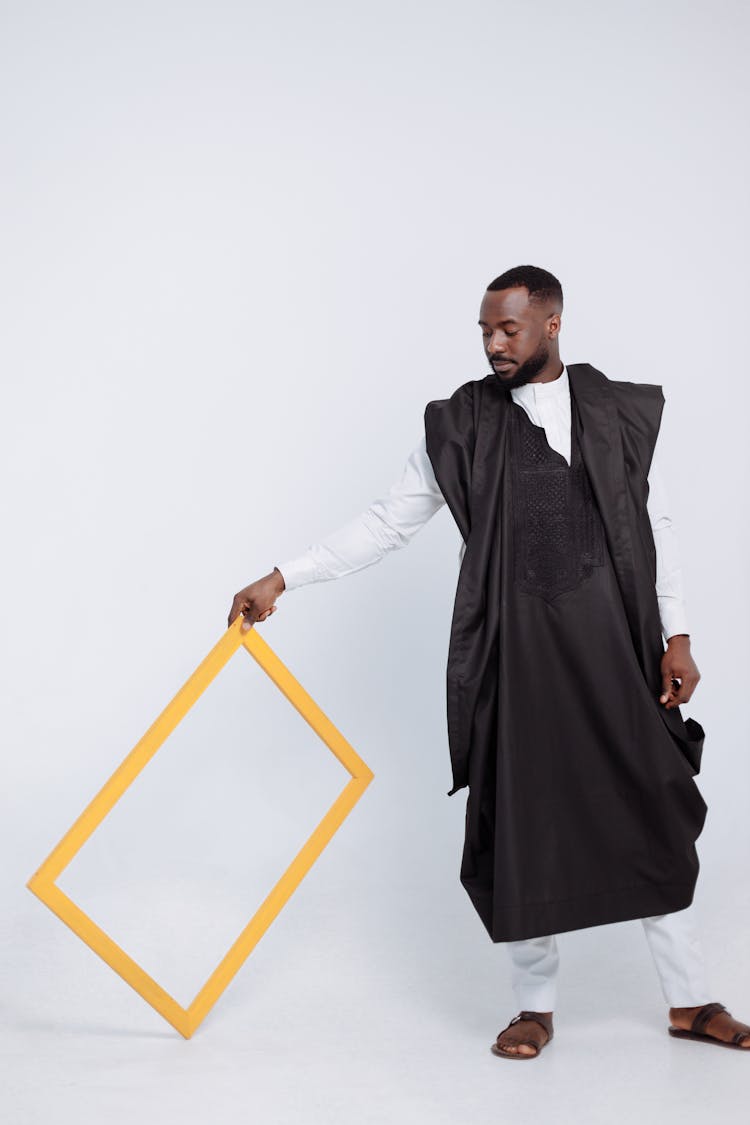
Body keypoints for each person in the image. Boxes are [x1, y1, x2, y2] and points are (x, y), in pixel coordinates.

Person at [227, 265, 750, 1058]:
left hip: (617, 651)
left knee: (654, 811)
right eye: (485, 331)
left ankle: (689, 1001)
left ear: (553, 323)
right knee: (524, 822)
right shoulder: (463, 423)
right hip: (521, 659)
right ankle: (533, 1006)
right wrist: (284, 575)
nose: (494, 344)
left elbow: (657, 523)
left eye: (509, 328)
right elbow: (386, 523)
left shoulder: (614, 412)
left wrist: (676, 635)